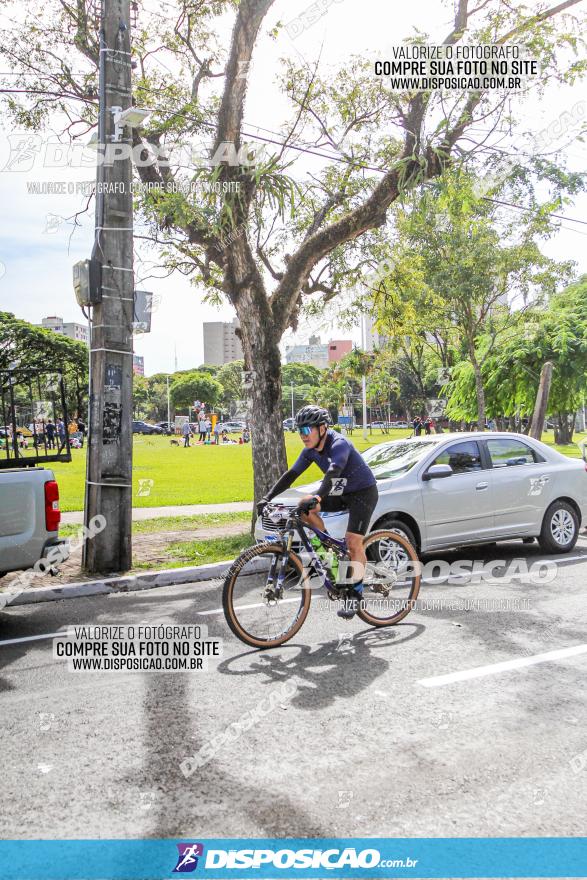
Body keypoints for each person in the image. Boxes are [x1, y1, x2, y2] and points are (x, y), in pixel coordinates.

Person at [257, 405, 379, 620]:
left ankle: (356, 595)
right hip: (341, 491)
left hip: (362, 492)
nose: (303, 436)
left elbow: (334, 470)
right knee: (304, 506)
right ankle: (331, 556)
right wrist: (268, 497)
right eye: (299, 431)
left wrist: (319, 497)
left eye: (306, 430)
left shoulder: (339, 443)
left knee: (353, 542)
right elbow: (291, 474)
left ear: (322, 428)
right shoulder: (310, 451)